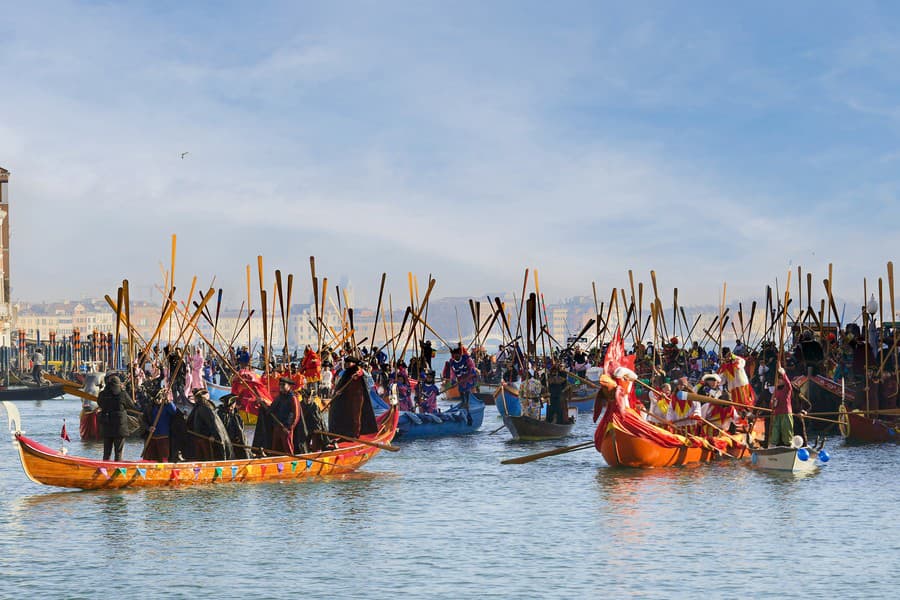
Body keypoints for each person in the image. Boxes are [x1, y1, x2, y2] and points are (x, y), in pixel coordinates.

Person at [328, 355, 378, 439]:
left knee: (356, 416)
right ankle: (344, 432)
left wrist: (358, 374)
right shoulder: (347, 372)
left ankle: (355, 434)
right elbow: (342, 384)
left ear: (353, 363)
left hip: (357, 397)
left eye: (348, 363)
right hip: (347, 397)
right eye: (346, 363)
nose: (347, 364)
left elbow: (366, 378)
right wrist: (339, 391)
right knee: (346, 415)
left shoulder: (359, 370)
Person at [186, 389, 232, 460]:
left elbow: (213, 423)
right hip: (198, 437)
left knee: (207, 457)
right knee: (200, 457)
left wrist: (213, 435)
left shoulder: (204, 408)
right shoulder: (198, 407)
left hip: (205, 438)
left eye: (195, 398)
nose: (194, 400)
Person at [97, 374, 135, 461]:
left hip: (107, 426)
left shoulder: (103, 394)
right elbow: (132, 406)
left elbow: (99, 403)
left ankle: (105, 469)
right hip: (119, 427)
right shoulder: (122, 394)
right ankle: (117, 470)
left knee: (106, 453)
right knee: (118, 452)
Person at [269, 377, 301, 454]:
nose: (281, 387)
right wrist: (262, 402)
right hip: (277, 425)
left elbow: (296, 414)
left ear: (289, 386)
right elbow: (271, 409)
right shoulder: (279, 397)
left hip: (286, 427)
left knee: (288, 447)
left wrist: (289, 427)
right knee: (275, 447)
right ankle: (274, 461)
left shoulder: (292, 398)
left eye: (283, 385)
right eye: (280, 385)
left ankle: (291, 462)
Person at [144, 391, 178, 462]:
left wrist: (169, 401)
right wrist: (148, 428)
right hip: (151, 437)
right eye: (156, 399)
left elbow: (174, 411)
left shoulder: (166, 406)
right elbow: (144, 420)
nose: (157, 400)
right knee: (150, 458)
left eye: (159, 399)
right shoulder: (150, 407)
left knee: (163, 458)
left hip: (164, 436)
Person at [217, 394, 251, 459]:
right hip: (226, 443)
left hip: (236, 442)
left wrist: (239, 438)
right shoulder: (221, 415)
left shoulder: (236, 416)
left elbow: (241, 428)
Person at [769, 365, 795, 447]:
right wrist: (773, 403)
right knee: (775, 432)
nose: (779, 381)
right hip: (777, 414)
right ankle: (772, 446)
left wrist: (783, 374)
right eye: (778, 379)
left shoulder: (787, 389)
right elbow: (771, 404)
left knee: (787, 432)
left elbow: (788, 383)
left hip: (786, 414)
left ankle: (789, 446)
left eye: (780, 379)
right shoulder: (776, 391)